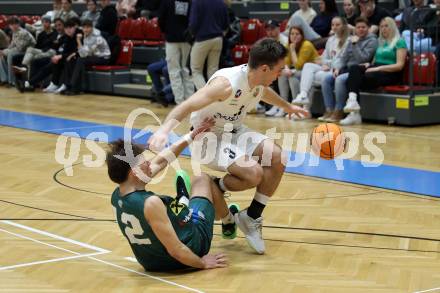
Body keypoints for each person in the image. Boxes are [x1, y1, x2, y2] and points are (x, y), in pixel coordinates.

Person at [148, 38, 310, 254]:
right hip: (208, 136)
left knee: (278, 157)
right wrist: (163, 130)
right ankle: (213, 187)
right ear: (264, 68)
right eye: (279, 70)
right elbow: (187, 105)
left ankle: (250, 216)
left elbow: (265, 93)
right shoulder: (226, 84)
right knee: (253, 174)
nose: (281, 73)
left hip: (234, 130)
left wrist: (288, 107)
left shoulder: (257, 81)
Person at [109, 118, 231, 271]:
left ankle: (182, 201)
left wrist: (192, 135)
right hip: (187, 252)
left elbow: (162, 160)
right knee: (202, 179)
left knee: (168, 206)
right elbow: (176, 251)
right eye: (144, 161)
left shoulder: (117, 195)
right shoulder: (150, 203)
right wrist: (203, 263)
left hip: (149, 263)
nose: (148, 162)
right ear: (134, 172)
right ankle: (229, 221)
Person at [341, 17, 407, 125]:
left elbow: (399, 65)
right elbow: (375, 61)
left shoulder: (400, 42)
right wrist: (369, 64)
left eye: (386, 26)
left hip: (390, 73)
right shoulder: (380, 42)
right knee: (354, 69)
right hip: (376, 68)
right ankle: (353, 103)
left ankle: (354, 113)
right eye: (381, 26)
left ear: (393, 27)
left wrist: (378, 68)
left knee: (357, 79)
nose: (384, 29)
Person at [320, 17, 378, 122]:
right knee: (326, 79)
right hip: (346, 69)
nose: (360, 29)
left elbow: (363, 58)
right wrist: (337, 68)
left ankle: (339, 110)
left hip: (359, 71)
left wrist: (355, 45)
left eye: (363, 27)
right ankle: (329, 109)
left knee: (340, 80)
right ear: (355, 29)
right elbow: (344, 57)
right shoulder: (352, 40)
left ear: (368, 28)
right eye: (358, 27)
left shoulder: (372, 41)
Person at [292, 16, 349, 107]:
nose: (334, 27)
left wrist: (327, 63)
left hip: (337, 71)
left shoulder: (348, 41)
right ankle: (303, 94)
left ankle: (305, 108)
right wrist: (324, 63)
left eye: (337, 25)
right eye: (332, 25)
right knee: (308, 66)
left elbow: (341, 60)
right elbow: (322, 58)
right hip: (326, 68)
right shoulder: (330, 40)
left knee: (308, 76)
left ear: (344, 26)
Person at [277, 26, 320, 115]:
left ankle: (300, 108)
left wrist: (292, 50)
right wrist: (287, 69)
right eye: (292, 34)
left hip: (312, 71)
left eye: (297, 34)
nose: (294, 36)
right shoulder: (288, 45)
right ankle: (284, 106)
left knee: (291, 75)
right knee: (285, 75)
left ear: (302, 36)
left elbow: (299, 66)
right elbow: (285, 62)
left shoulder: (306, 45)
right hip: (299, 72)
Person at [158, 0, 194, 105]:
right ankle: (190, 102)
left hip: (171, 40)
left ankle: (180, 103)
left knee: (174, 72)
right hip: (186, 40)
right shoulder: (190, 1)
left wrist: (167, 31)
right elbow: (193, 19)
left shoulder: (167, 2)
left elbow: (161, 20)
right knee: (186, 70)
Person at [62, 19, 110, 95]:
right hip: (93, 56)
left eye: (88, 27)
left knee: (80, 60)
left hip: (104, 58)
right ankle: (70, 86)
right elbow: (83, 52)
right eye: (84, 28)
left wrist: (78, 40)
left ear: (92, 27)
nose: (86, 29)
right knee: (71, 60)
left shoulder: (96, 37)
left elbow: (84, 54)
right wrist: (73, 54)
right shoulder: (86, 35)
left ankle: (73, 86)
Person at [189, 0, 229, 90]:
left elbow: (193, 23)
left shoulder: (197, 2)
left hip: (202, 39)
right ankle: (215, 98)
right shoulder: (221, 3)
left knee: (196, 70)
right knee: (213, 71)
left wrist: (192, 34)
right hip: (218, 39)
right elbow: (226, 24)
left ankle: (206, 98)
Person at [13, 16, 58, 92]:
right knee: (30, 54)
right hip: (42, 52)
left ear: (50, 23)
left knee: (31, 53)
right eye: (43, 22)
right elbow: (38, 46)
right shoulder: (41, 34)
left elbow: (53, 45)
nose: (44, 24)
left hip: (50, 52)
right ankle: (28, 83)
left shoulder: (55, 33)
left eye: (46, 22)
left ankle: (24, 69)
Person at [0, 17, 36, 86]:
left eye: (14, 24)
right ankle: (5, 79)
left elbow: (20, 48)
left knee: (10, 54)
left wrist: (5, 51)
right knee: (1, 55)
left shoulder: (23, 33)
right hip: (20, 50)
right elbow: (11, 46)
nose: (13, 26)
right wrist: (3, 51)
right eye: (11, 24)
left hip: (28, 51)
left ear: (18, 24)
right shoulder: (14, 32)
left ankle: (12, 81)